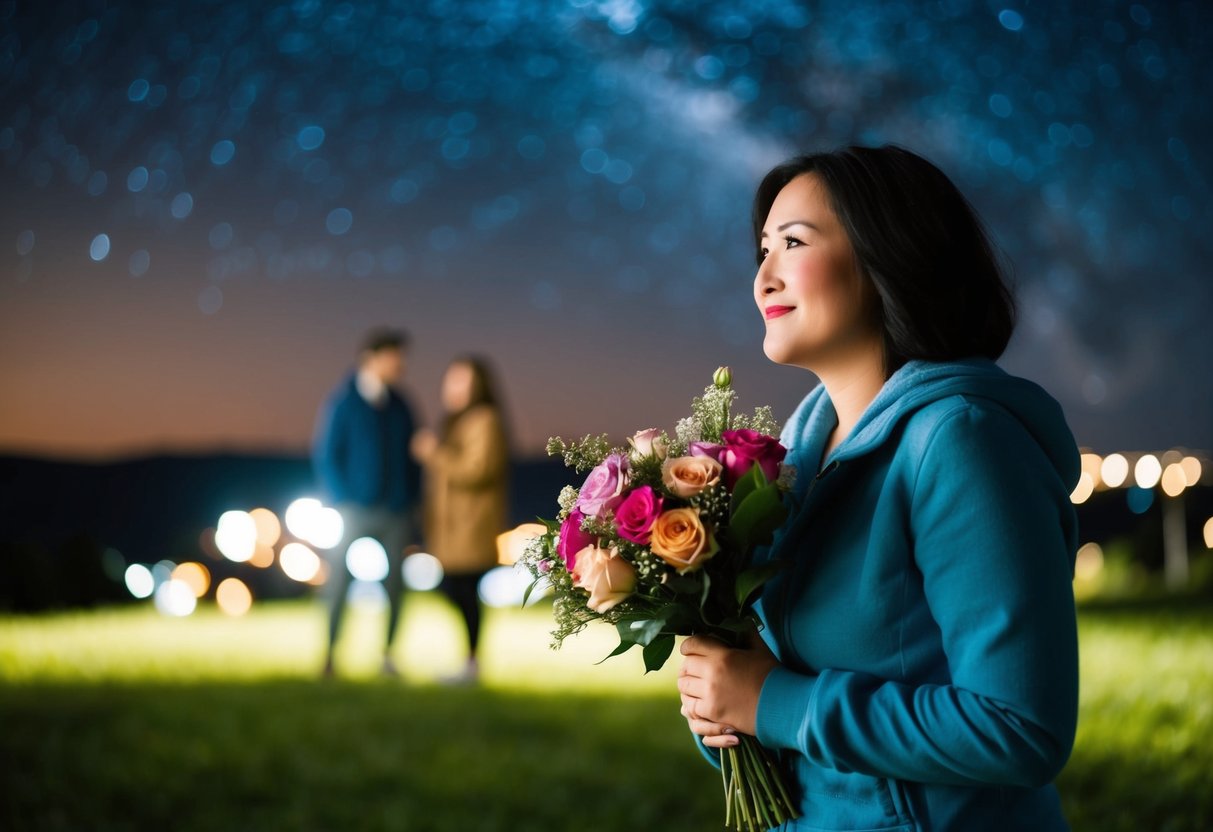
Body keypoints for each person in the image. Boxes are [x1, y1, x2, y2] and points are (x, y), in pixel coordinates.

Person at [677, 145, 1081, 830]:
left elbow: (1019, 728)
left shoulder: (959, 441)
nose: (763, 278)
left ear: (885, 253)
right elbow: (780, 704)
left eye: (793, 243)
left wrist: (771, 702)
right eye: (761, 251)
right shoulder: (789, 465)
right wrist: (722, 705)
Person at [313, 327, 423, 678]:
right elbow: (328, 454)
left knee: (395, 586)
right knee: (338, 583)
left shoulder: (402, 404)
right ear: (371, 358)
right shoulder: (342, 401)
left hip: (395, 510)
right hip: (353, 510)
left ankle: (388, 656)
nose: (399, 365)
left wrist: (412, 499)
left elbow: (413, 457)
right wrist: (343, 499)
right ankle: (330, 656)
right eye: (393, 357)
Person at [411, 356, 510, 684]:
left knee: (461, 589)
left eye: (463, 382)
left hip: (471, 525)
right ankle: (469, 662)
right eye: (451, 380)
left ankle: (471, 664)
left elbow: (476, 470)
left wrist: (433, 453)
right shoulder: (456, 422)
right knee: (453, 588)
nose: (454, 388)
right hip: (450, 527)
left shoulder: (485, 420)